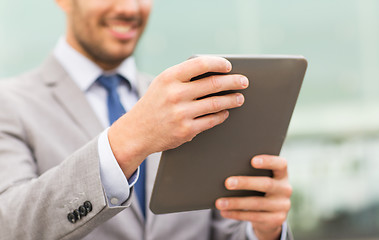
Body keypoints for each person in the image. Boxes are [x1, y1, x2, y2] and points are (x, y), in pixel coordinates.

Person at [0, 0, 293, 239]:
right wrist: (129, 139)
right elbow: (9, 225)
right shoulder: (10, 103)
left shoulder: (185, 100)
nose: (130, 8)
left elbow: (223, 229)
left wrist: (263, 230)